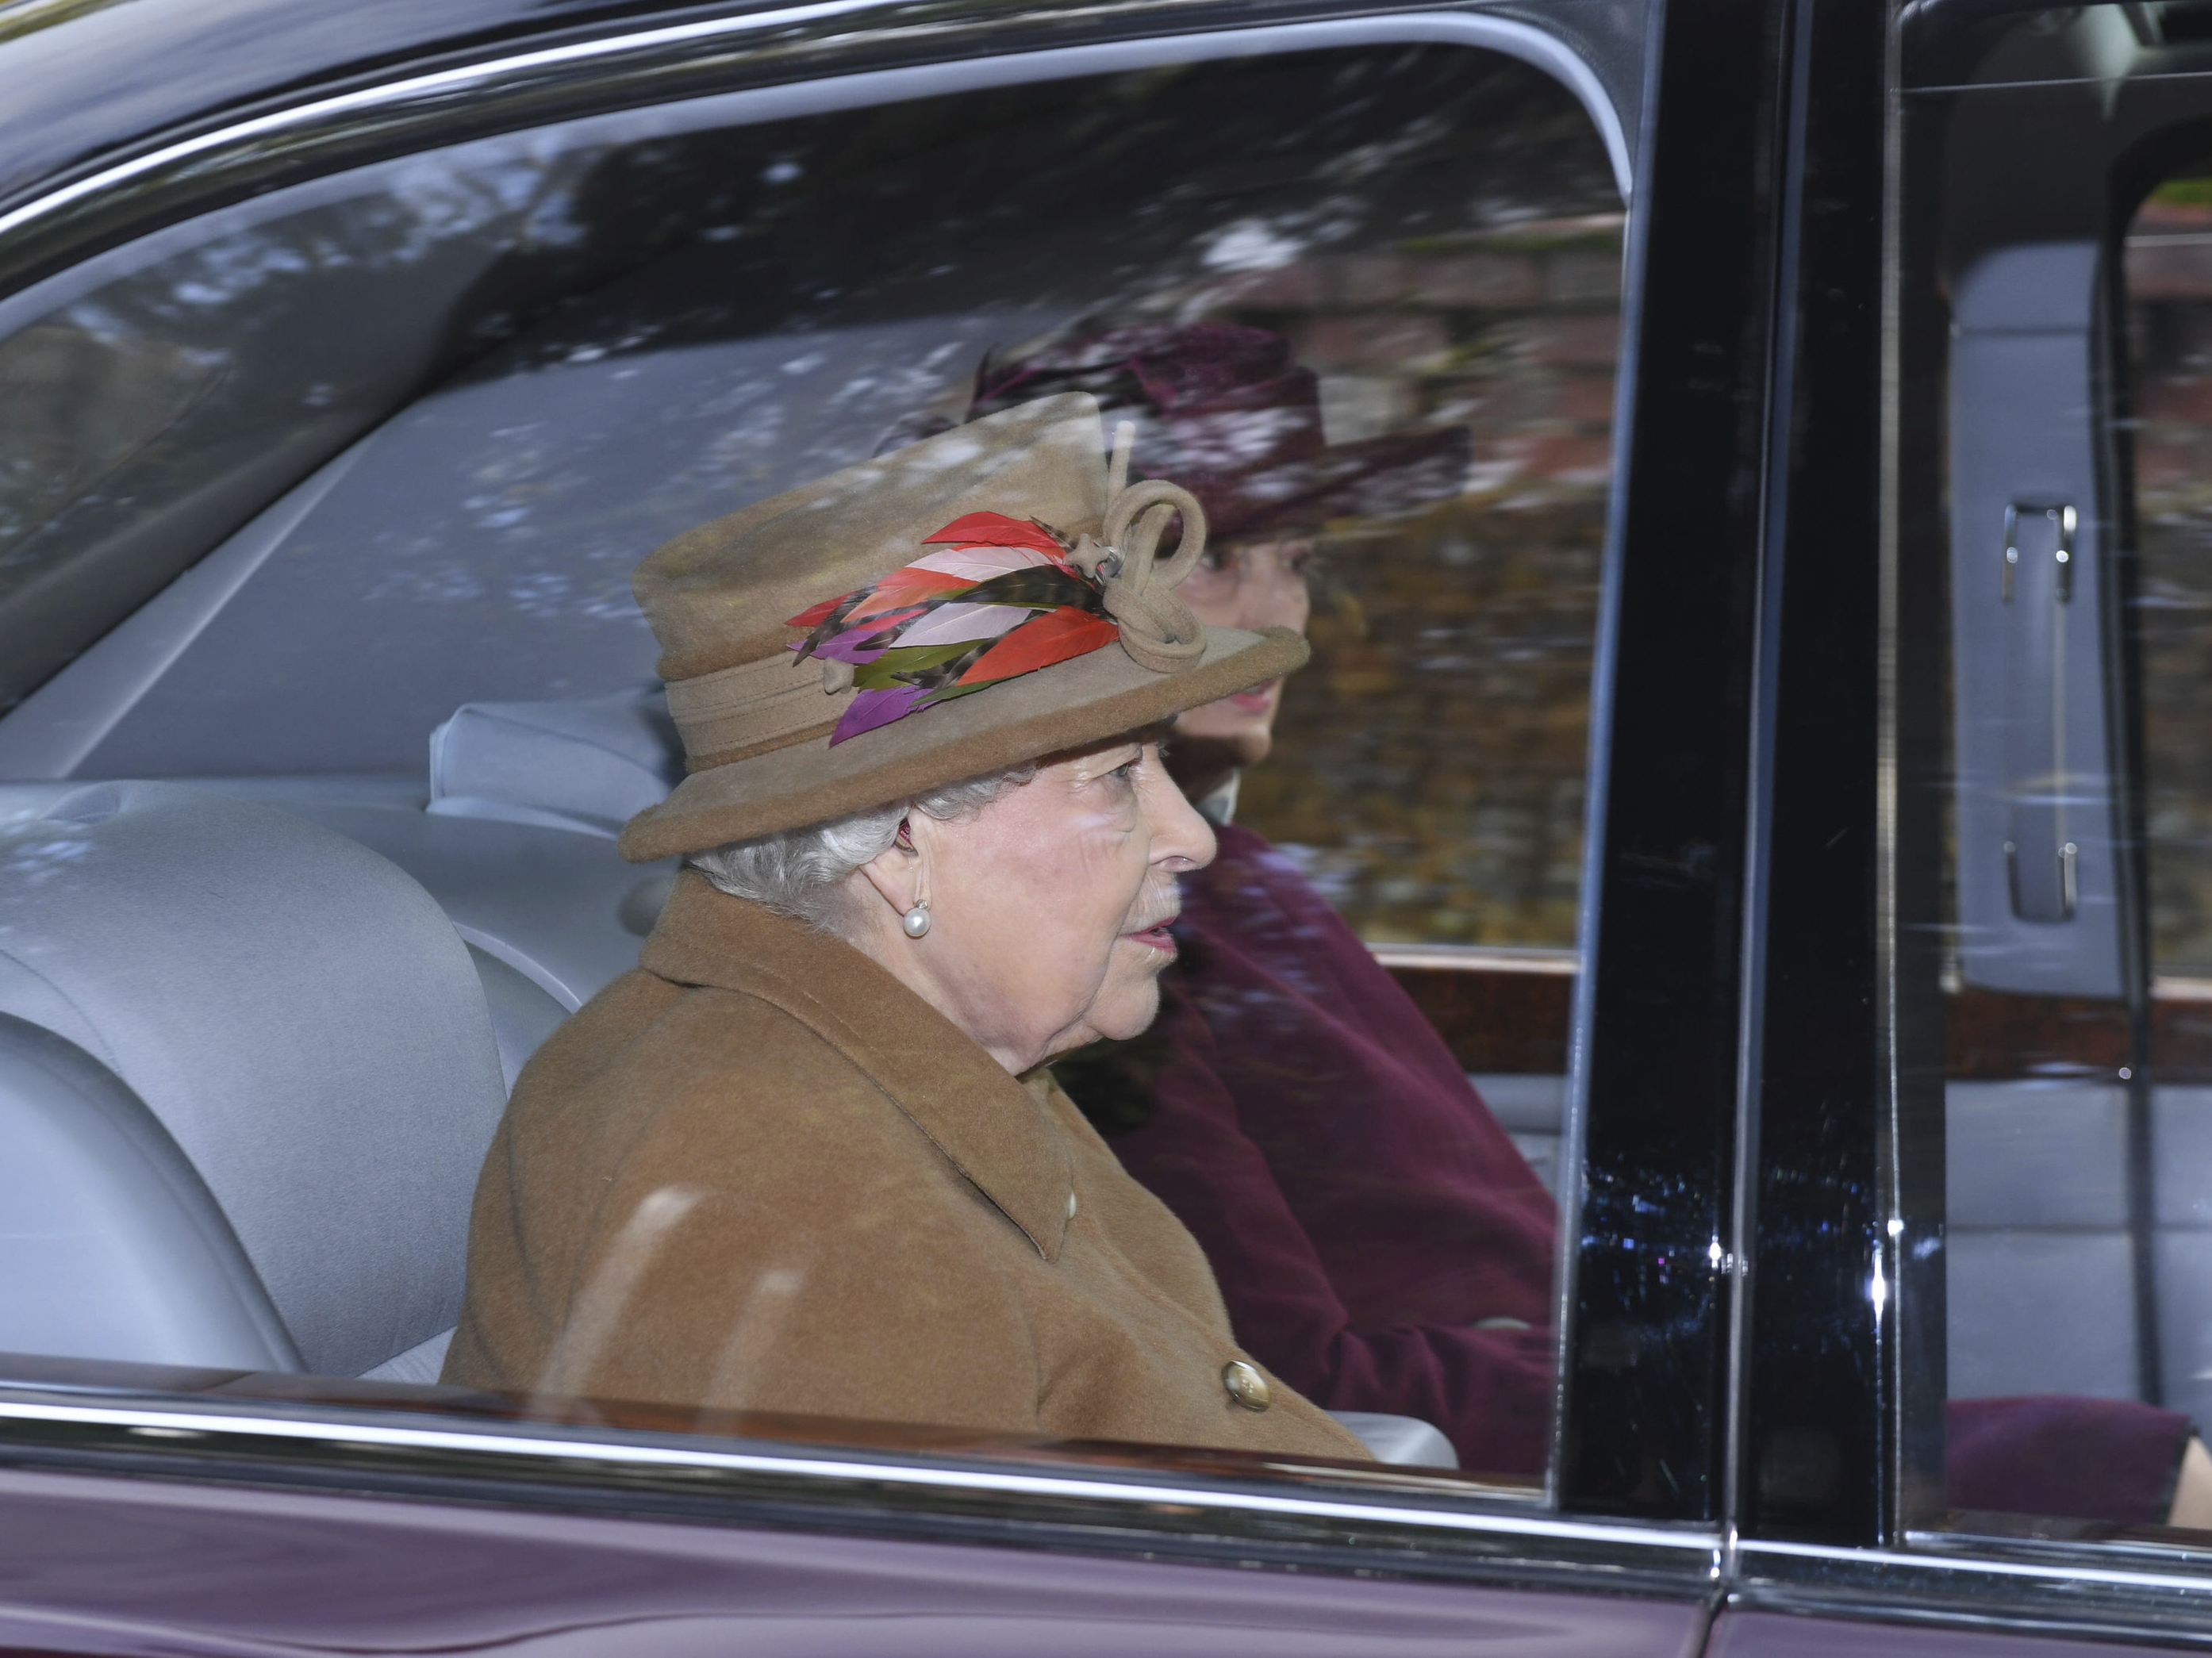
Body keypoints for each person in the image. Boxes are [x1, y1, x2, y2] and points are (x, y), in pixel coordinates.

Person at [952, 322, 2212, 1524]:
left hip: (1595, 1408)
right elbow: (1283, 1379)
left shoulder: (1243, 876)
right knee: (2131, 1472)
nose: (1288, 619)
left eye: (1303, 559)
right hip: (1521, 1477)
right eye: (1225, 555)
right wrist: (1722, 1417)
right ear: (1083, 588)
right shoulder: (1107, 932)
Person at [443, 393, 1370, 1461]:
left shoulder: (943, 1054)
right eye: (1116, 776)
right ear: (898, 842)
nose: (1189, 837)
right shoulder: (775, 1190)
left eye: (1158, 762)